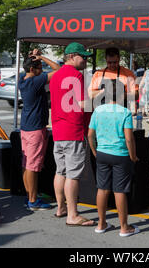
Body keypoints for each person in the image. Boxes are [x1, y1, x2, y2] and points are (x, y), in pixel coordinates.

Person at [49, 42, 95, 226]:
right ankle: (73, 215)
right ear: (71, 56)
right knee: (73, 175)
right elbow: (83, 104)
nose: (85, 60)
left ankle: (61, 208)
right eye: (82, 56)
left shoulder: (55, 76)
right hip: (73, 129)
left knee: (61, 171)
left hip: (58, 129)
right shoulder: (75, 75)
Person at [88, 79, 140, 237]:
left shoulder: (98, 111)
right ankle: (124, 227)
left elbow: (90, 135)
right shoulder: (124, 112)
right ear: (122, 93)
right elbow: (129, 138)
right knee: (120, 191)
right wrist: (133, 156)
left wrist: (95, 151)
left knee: (102, 189)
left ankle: (101, 223)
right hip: (121, 155)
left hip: (102, 153)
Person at [19, 50, 60, 211]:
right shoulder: (35, 82)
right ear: (32, 69)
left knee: (26, 163)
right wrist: (42, 57)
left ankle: (30, 195)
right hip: (36, 128)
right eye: (39, 67)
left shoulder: (22, 80)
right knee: (33, 166)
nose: (42, 70)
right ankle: (33, 200)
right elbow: (58, 69)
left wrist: (33, 56)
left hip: (26, 127)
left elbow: (30, 67)